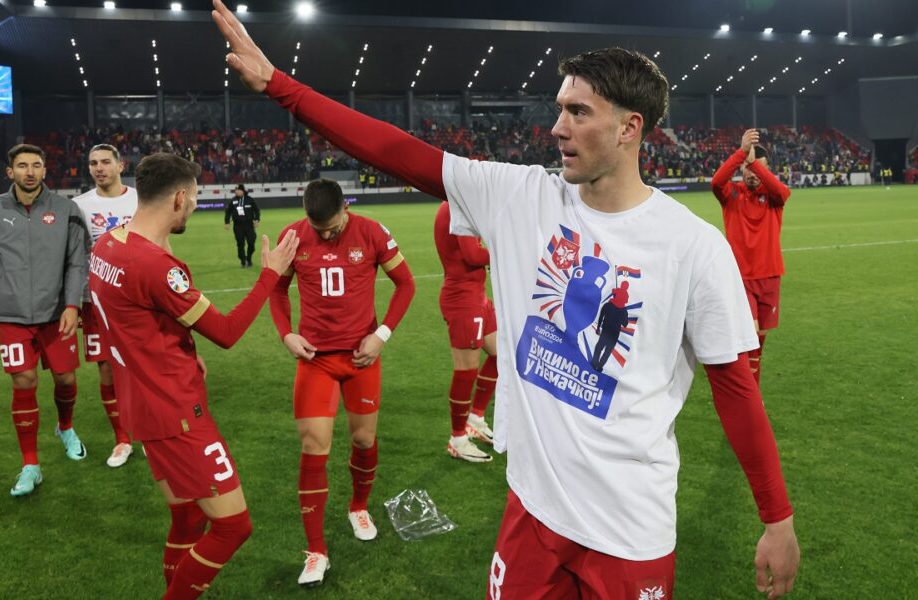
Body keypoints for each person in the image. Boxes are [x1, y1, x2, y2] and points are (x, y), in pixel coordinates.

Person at [212, 7, 800, 598]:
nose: (558, 128)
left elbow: (735, 389)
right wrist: (279, 86)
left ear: (630, 127)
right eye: (559, 109)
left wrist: (777, 519)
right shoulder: (521, 198)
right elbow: (395, 149)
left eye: (578, 112)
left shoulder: (694, 246)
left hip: (629, 529)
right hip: (532, 512)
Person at [87, 152, 298, 599]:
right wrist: (270, 275)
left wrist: (184, 350)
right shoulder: (156, 267)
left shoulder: (107, 245)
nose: (197, 205)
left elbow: (139, 319)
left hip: (138, 403)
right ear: (179, 198)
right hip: (176, 412)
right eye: (196, 197)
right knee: (234, 525)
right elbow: (226, 332)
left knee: (187, 517)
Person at [268, 178, 415, 587]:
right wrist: (286, 334)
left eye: (333, 228)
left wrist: (381, 335)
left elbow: (406, 284)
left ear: (346, 208)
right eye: (320, 230)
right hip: (315, 360)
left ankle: (358, 506)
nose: (327, 236)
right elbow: (277, 291)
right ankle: (316, 551)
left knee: (364, 440)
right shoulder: (293, 236)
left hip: (361, 358)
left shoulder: (372, 231)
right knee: (313, 447)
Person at [0, 143, 90, 497]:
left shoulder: (67, 209)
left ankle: (65, 427)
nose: (30, 172)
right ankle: (30, 465)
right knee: (23, 381)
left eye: (36, 165)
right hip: (13, 316)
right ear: (10, 172)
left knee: (66, 378)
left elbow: (77, 262)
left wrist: (73, 305)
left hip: (57, 314)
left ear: (45, 170)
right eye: (22, 166)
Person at [72, 143, 140, 467]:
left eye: (104, 162)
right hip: (96, 300)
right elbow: (74, 255)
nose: (98, 168)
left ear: (120, 165)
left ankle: (150, 431)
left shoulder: (140, 199)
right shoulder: (79, 205)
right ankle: (122, 439)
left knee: (143, 366)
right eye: (93, 163)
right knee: (106, 368)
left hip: (138, 298)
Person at [711, 131, 791, 386]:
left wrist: (754, 162)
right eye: (748, 168)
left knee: (759, 340)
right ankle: (750, 395)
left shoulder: (775, 198)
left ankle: (751, 390)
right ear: (741, 169)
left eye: (758, 169)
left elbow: (781, 190)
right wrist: (742, 154)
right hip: (742, 278)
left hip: (770, 277)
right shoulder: (731, 194)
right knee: (750, 337)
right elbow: (716, 181)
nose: (753, 173)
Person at [433, 200, 496, 463]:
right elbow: (472, 256)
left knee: (501, 353)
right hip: (463, 298)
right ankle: (458, 438)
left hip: (476, 294)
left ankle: (475, 418)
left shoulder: (456, 204)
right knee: (466, 370)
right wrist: (505, 250)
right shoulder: (459, 206)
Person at [224, 183, 261, 267]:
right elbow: (228, 212)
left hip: (249, 225)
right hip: (238, 226)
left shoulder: (250, 200)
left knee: (251, 242)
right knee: (240, 244)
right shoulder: (233, 201)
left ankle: (249, 258)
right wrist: (227, 222)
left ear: (243, 191)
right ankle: (243, 260)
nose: (236, 191)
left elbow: (257, 210)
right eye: (236, 190)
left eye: (238, 190)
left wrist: (257, 220)